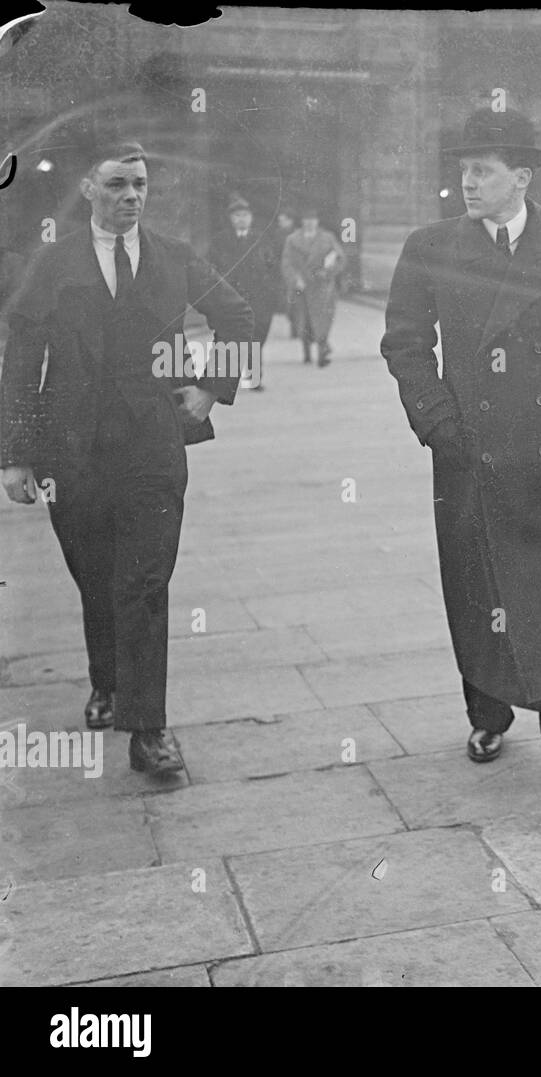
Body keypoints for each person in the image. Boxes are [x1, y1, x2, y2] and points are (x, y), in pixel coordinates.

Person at [380, 108, 541, 810]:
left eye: (483, 170)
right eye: (464, 169)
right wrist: (437, 422)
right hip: (468, 453)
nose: (468, 182)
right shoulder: (431, 245)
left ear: (521, 177)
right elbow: (404, 340)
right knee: (478, 589)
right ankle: (488, 711)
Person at [0, 141, 252, 775]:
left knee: (142, 582)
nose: (131, 196)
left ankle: (148, 730)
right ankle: (107, 682)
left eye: (139, 184)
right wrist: (16, 455)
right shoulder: (53, 262)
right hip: (72, 450)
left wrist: (210, 386)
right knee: (95, 576)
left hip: (152, 443)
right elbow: (22, 357)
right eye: (116, 184)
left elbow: (237, 312)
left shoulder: (173, 256)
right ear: (88, 189)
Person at [208, 194, 277, 390]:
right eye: (237, 215)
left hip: (258, 299)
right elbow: (212, 267)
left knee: (257, 337)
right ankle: (238, 378)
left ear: (251, 217)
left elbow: (272, 267)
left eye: (245, 215)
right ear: (231, 218)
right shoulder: (220, 241)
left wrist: (270, 292)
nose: (241, 219)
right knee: (233, 338)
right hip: (231, 299)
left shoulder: (261, 240)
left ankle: (253, 375)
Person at [281, 206, 344, 367]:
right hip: (302, 286)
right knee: (303, 321)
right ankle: (307, 353)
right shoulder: (292, 239)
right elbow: (286, 264)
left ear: (317, 222)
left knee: (322, 321)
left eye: (313, 220)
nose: (310, 223)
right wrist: (296, 280)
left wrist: (328, 272)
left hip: (323, 288)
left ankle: (322, 353)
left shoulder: (328, 238)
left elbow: (340, 259)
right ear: (302, 222)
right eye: (306, 220)